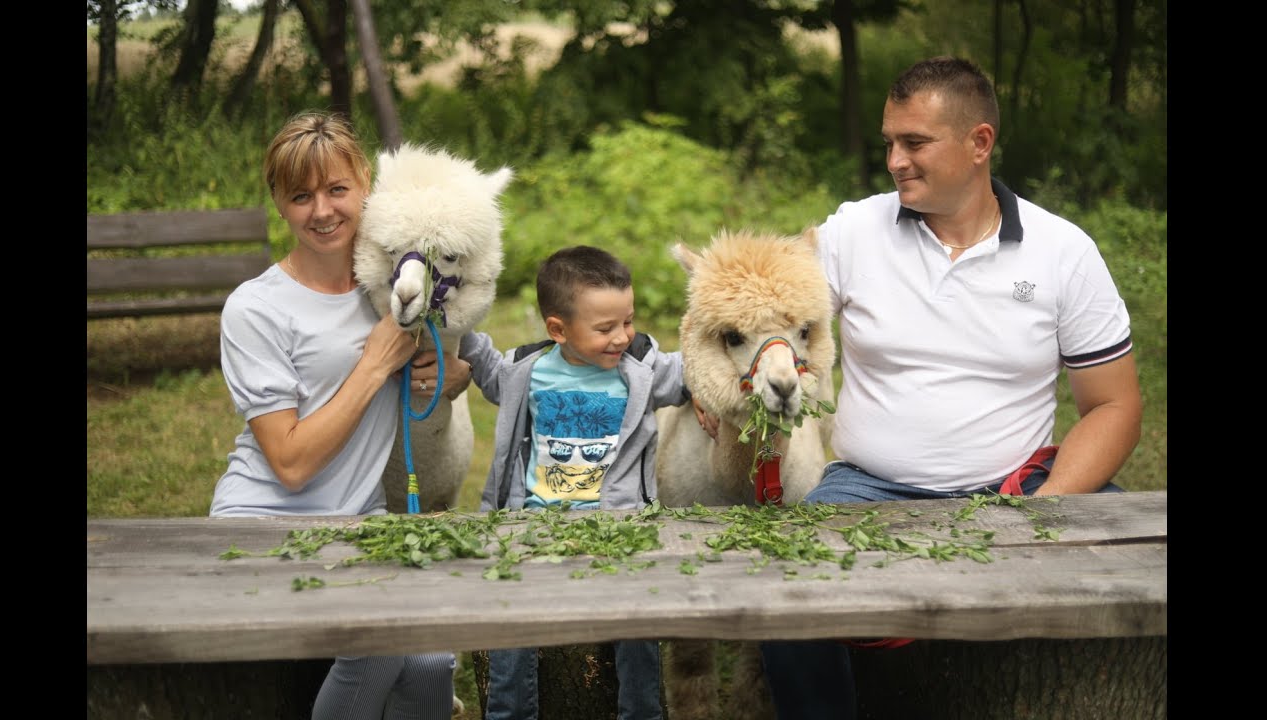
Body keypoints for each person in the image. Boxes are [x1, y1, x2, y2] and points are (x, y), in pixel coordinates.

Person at [696, 56, 1142, 719]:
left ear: (979, 142)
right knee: (784, 582)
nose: (896, 160)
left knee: (1139, 566)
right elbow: (759, 319)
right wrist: (714, 387)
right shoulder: (852, 231)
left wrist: (1047, 508)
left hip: (1014, 486)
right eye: (889, 143)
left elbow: (1115, 404)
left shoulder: (1062, 252)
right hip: (868, 484)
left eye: (915, 143)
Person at [210, 110, 472, 720]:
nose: (322, 211)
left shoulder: (394, 289)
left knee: (433, 663)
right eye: (301, 196)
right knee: (379, 646)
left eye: (337, 190)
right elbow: (291, 462)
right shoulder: (255, 309)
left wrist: (452, 375)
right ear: (279, 203)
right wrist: (375, 365)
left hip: (358, 523)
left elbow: (459, 338)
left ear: (366, 186)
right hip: (263, 522)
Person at [456, 245, 689, 720]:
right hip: (535, 527)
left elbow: (701, 369)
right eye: (605, 328)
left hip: (618, 528)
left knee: (638, 619)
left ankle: (642, 713)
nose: (622, 336)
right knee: (510, 616)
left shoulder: (642, 368)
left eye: (628, 321)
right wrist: (449, 308)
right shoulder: (526, 371)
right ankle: (509, 714)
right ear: (557, 329)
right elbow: (474, 349)